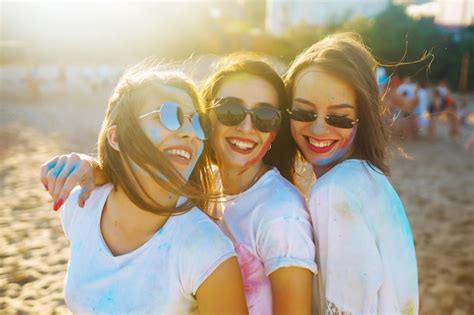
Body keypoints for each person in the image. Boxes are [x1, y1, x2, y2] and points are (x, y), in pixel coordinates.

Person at [40, 55, 316, 314]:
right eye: (230, 111)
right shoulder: (203, 183)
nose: (247, 126)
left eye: (265, 117)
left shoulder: (280, 214)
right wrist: (98, 168)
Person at [285, 33, 419, 314]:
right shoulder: (370, 179)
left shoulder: (335, 192)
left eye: (340, 117)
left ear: (364, 116)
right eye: (303, 112)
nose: (319, 129)